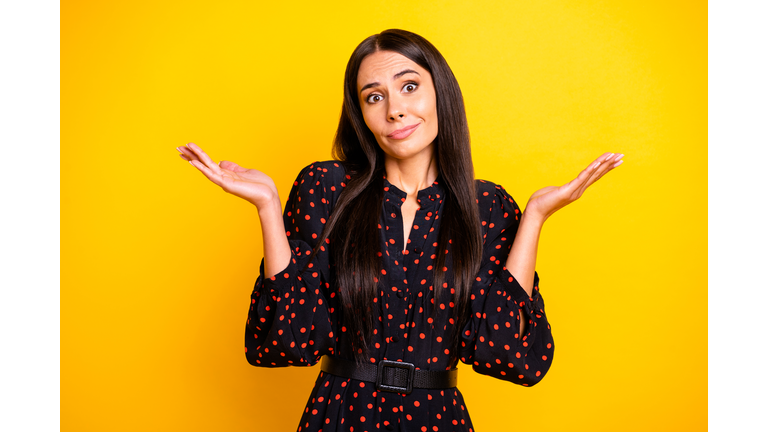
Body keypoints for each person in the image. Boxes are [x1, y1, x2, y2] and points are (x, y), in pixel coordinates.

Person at [177, 29, 623, 432]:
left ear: (440, 93)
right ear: (362, 114)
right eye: (374, 97)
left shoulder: (487, 207)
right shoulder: (326, 188)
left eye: (409, 87)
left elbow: (510, 356)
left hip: (438, 421)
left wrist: (535, 219)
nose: (395, 110)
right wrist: (268, 207)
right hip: (340, 415)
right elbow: (284, 342)